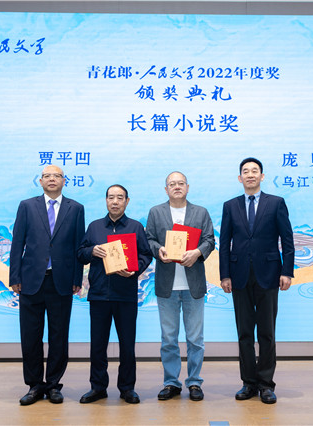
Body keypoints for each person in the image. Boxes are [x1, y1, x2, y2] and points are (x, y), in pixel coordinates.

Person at [219, 157, 295, 404]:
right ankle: (248, 383)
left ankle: (266, 384)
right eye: (245, 171)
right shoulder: (230, 206)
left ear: (262, 176)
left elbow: (287, 240)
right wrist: (225, 275)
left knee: (266, 333)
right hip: (239, 277)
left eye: (254, 171)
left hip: (269, 275)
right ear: (239, 178)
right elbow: (224, 244)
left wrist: (287, 271)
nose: (250, 174)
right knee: (244, 333)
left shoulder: (276, 203)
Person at [9, 165, 85, 405]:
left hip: (61, 282)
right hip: (30, 281)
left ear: (64, 181)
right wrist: (14, 277)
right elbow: (17, 243)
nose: (52, 179)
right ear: (40, 181)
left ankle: (53, 385)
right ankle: (34, 385)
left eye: (57, 176)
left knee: (59, 336)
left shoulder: (76, 208)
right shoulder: (27, 206)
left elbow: (78, 247)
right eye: (47, 176)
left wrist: (76, 279)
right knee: (30, 336)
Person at [77, 184, 152, 404]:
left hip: (125, 295)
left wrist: (135, 270)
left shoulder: (135, 227)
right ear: (106, 200)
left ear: (127, 201)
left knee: (127, 345)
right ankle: (98, 387)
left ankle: (127, 388)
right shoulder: (94, 227)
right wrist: (92, 251)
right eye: (111, 197)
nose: (115, 201)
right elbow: (80, 253)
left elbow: (146, 255)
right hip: (99, 295)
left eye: (120, 197)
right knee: (97, 345)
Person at [145, 172, 215, 402]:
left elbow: (210, 240)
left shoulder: (200, 212)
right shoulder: (156, 212)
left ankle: (194, 382)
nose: (176, 187)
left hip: (193, 284)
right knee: (168, 339)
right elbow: (148, 239)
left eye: (180, 183)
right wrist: (159, 250)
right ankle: (171, 382)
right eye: (172, 184)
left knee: (195, 339)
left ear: (188, 187)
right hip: (167, 285)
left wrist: (198, 252)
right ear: (166, 189)